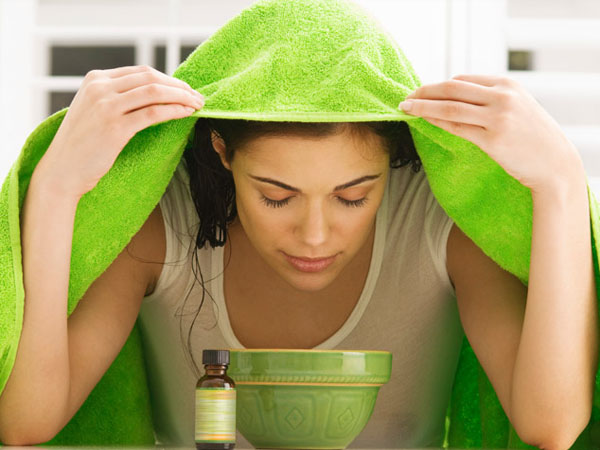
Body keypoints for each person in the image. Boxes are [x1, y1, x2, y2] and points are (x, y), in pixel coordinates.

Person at [0, 62, 595, 450]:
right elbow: (24, 423)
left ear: (391, 160)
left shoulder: (439, 221)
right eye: (276, 196)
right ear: (222, 152)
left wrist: (562, 183)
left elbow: (551, 425)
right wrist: (54, 187)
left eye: (353, 196)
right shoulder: (164, 226)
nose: (315, 236)